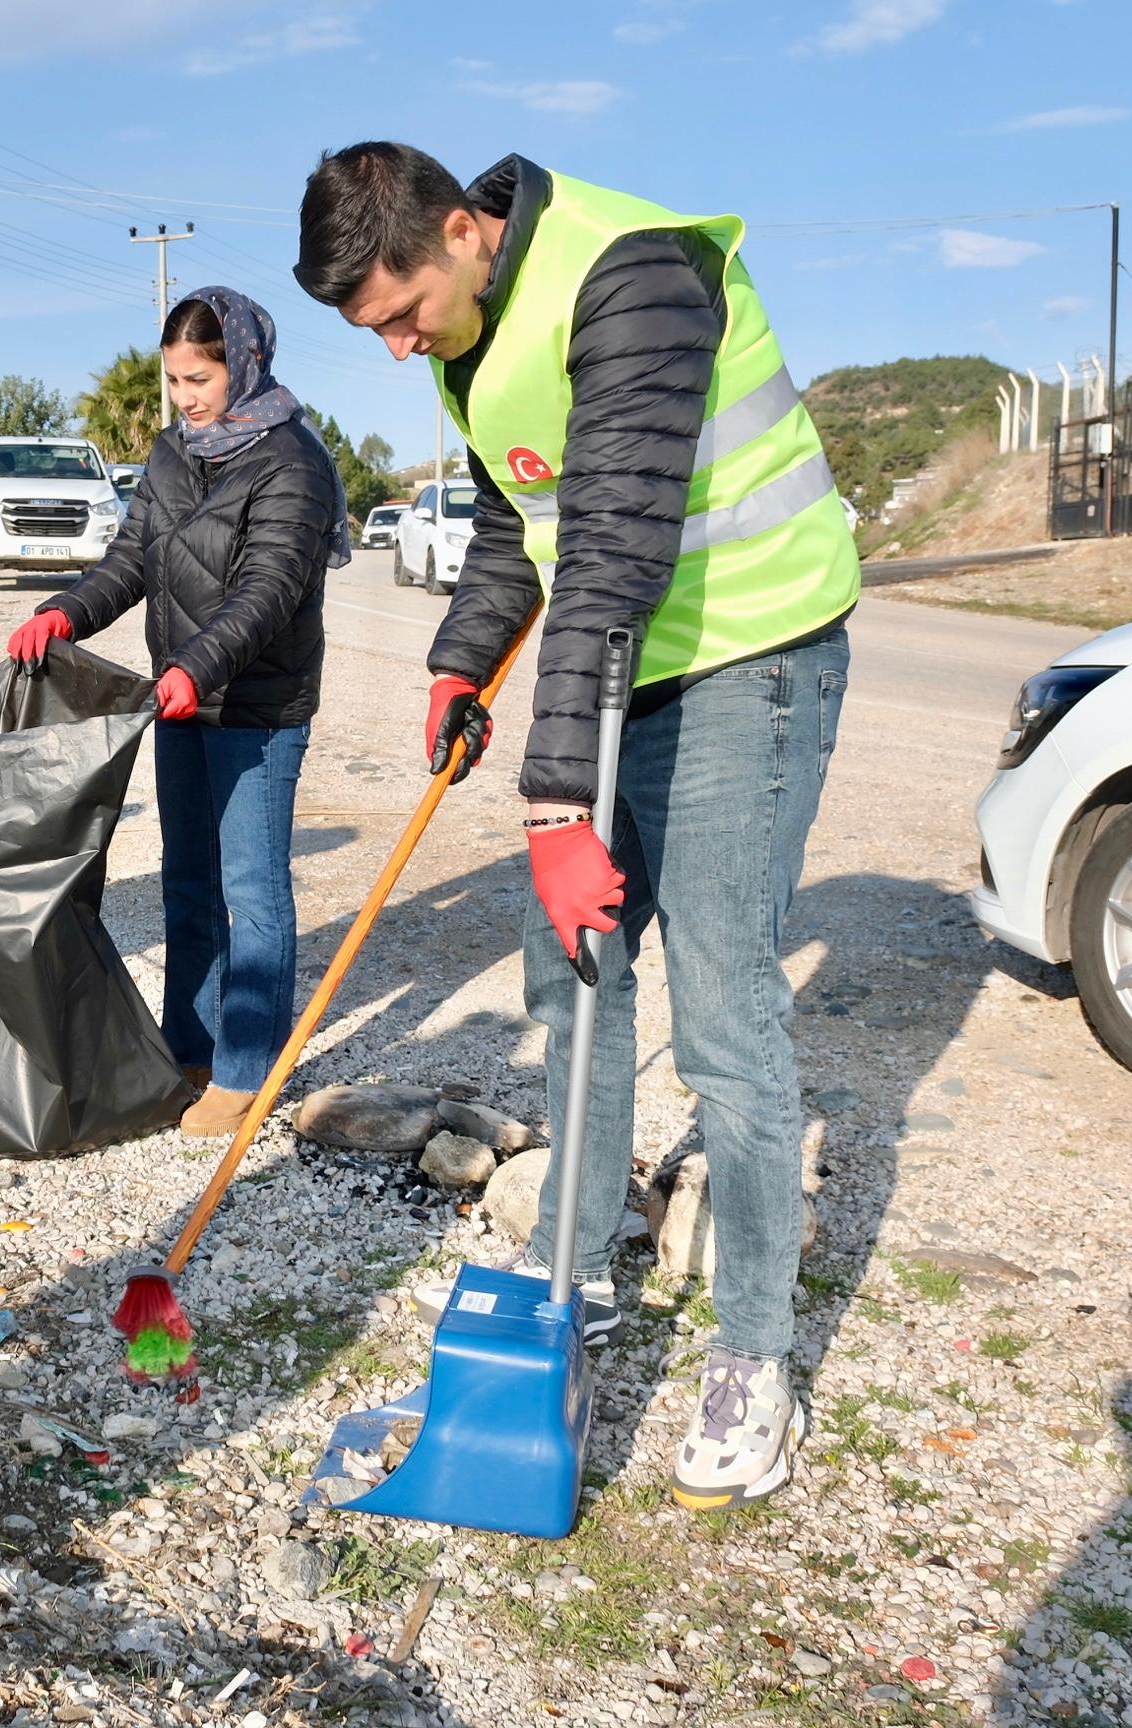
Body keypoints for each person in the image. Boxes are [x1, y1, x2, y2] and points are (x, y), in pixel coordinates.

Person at [296, 143, 859, 1512]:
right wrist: (458, 656)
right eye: (373, 332)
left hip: (749, 647)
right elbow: (521, 517)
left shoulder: (635, 276)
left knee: (722, 993)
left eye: (400, 314)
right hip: (631, 662)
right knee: (576, 968)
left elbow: (609, 545)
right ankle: (576, 1266)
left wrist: (551, 801)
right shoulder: (468, 335)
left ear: (462, 231)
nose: (396, 348)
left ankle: (755, 1355)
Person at [0, 287, 342, 1139]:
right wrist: (65, 611)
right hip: (181, 699)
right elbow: (130, 559)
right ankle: (187, 1045)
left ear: (244, 363)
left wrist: (197, 664)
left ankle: (245, 1069)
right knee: (187, 880)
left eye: (200, 377)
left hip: (257, 707)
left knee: (253, 890)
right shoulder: (169, 454)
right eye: (175, 381)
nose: (187, 397)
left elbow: (269, 590)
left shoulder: (290, 462)